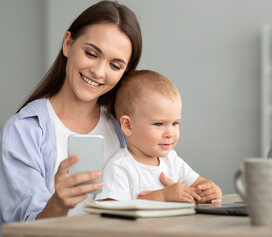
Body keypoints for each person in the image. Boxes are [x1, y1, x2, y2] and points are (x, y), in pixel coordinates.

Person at [0, 0, 142, 236]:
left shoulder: (123, 129)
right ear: (68, 44)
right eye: (91, 53)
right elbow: (25, 230)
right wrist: (59, 203)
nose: (99, 72)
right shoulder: (24, 131)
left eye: (115, 65)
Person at [95, 70, 222, 203]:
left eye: (175, 123)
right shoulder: (121, 168)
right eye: (159, 124)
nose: (170, 133)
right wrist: (163, 196)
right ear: (128, 126)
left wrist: (210, 190)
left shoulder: (171, 160)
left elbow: (199, 184)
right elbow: (110, 210)